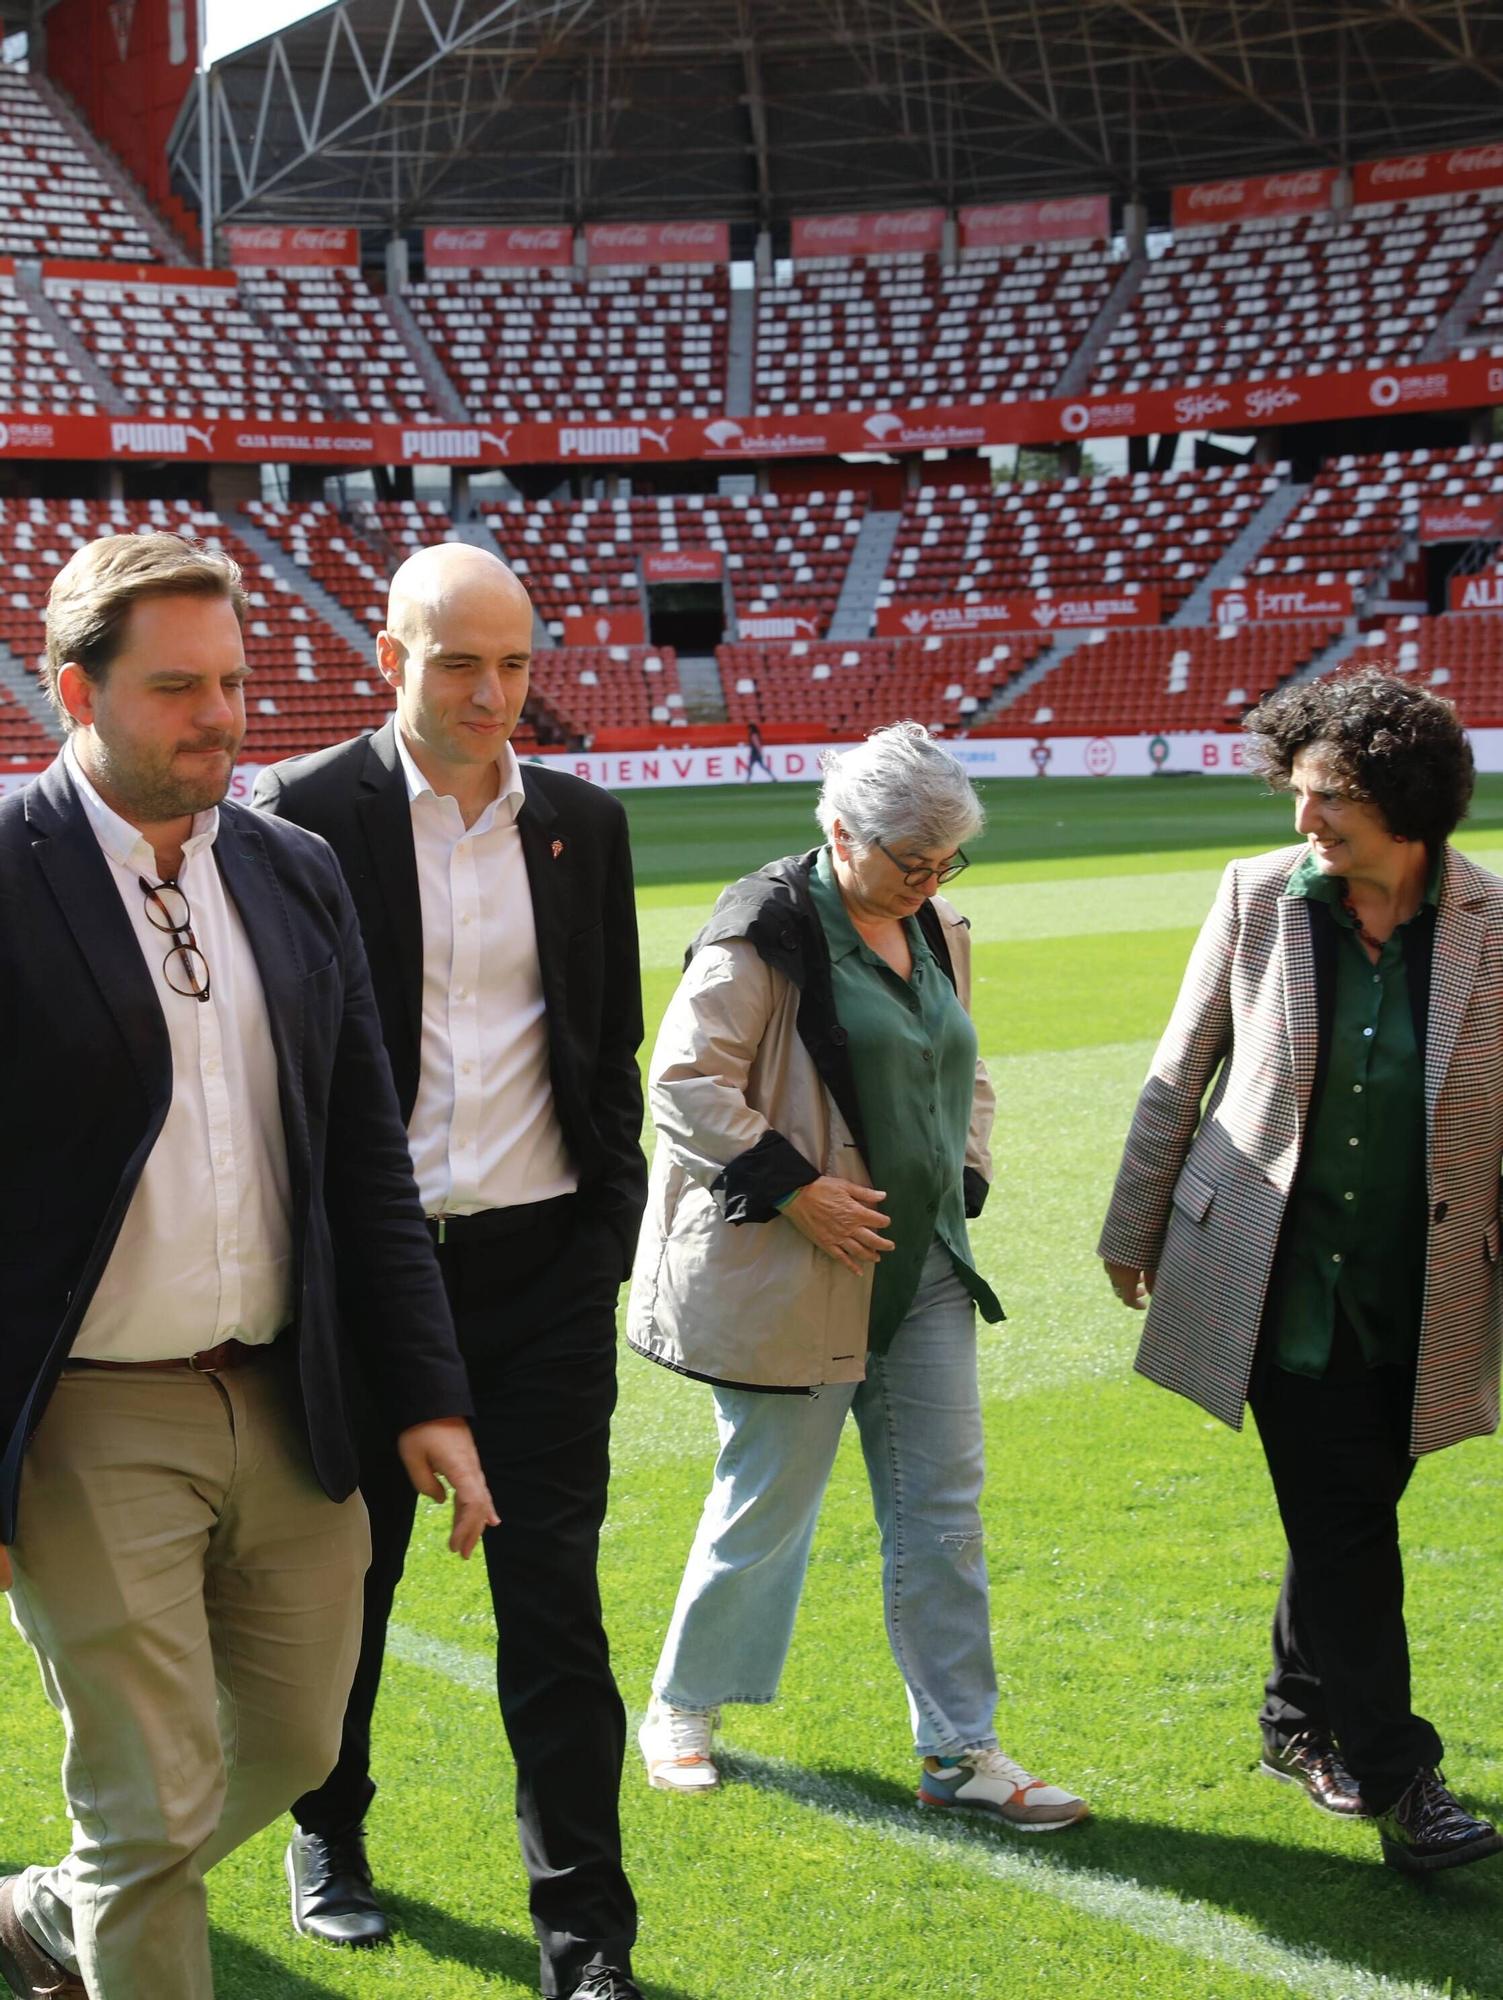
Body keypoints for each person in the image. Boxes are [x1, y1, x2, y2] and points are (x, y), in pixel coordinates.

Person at [0, 533, 494, 2000]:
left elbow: (363, 1164)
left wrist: (427, 1394)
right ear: (74, 691)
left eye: (230, 682)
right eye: (174, 689)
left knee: (295, 1740)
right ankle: (114, 1904)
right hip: (89, 1410)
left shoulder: (294, 873)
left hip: (292, 1393)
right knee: (151, 1806)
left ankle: (45, 1918)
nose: (219, 717)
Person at [254, 544, 648, 2000]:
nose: (492, 694)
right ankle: (330, 1835)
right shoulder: (298, 816)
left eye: (516, 665)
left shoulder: (585, 826)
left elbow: (605, 1048)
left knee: (554, 1605)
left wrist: (603, 1234)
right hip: (365, 1285)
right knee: (345, 1593)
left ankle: (584, 1933)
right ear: (387, 656)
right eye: (457, 663)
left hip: (544, 1278)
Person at [628, 722, 1088, 1831]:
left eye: (945, 864)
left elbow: (960, 1063)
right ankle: (681, 1708)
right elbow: (685, 1084)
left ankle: (960, 1749)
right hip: (793, 1263)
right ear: (841, 831)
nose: (928, 883)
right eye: (909, 861)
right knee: (767, 1501)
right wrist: (801, 1190)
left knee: (942, 1511)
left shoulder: (935, 925)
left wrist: (963, 1175)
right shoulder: (761, 931)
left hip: (920, 1265)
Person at [1099, 668, 1503, 1877]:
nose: (1303, 820)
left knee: (1350, 1513)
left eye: (1329, 799)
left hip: (1422, 1289)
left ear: (1406, 804)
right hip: (1272, 1276)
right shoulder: (1259, 898)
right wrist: (1134, 1228)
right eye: (1299, 792)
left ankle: (1292, 1716)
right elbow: (1182, 1073)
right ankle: (1397, 1773)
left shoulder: (1493, 929)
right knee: (1344, 1522)